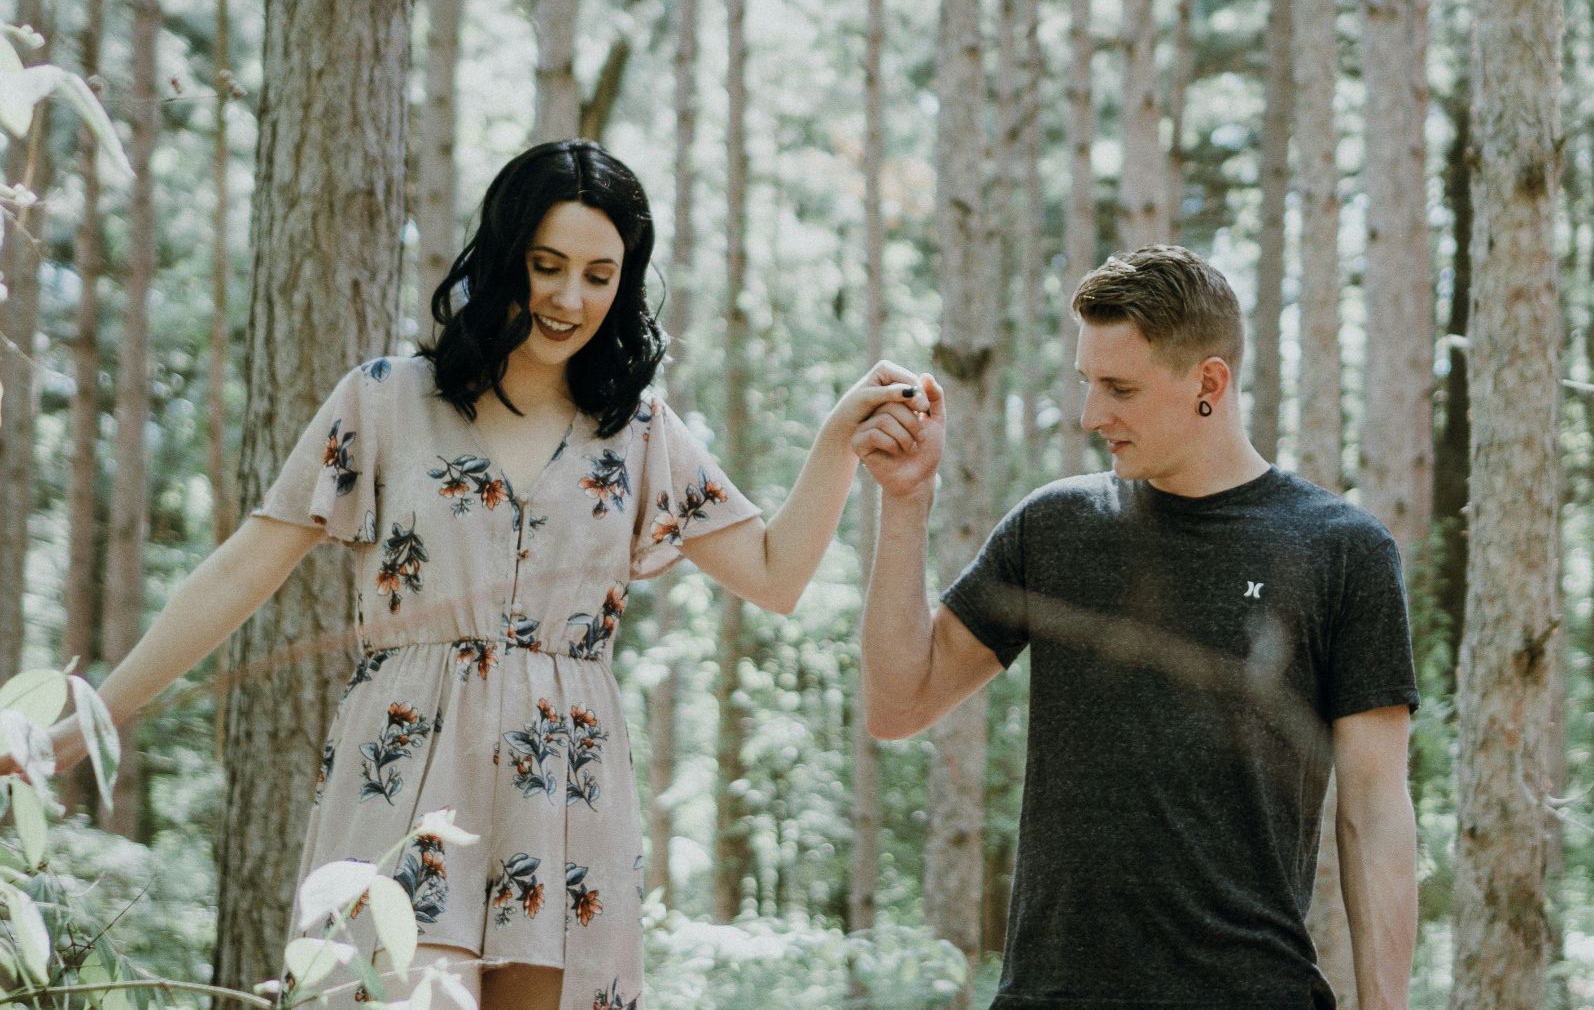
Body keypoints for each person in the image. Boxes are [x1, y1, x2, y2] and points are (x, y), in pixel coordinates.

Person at [20, 139, 927, 1009]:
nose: (570, 297)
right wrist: (84, 726)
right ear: (503, 258)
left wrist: (838, 440)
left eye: (599, 275)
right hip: (409, 770)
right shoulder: (385, 400)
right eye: (547, 264)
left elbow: (773, 573)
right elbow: (238, 572)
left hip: (566, 793)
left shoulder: (639, 430)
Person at [854, 245, 1419, 1010]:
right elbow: (898, 703)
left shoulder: (1341, 550)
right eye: (1088, 383)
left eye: (1119, 388)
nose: (1092, 416)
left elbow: (1375, 814)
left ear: (1209, 384)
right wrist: (906, 501)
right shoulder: (1055, 528)